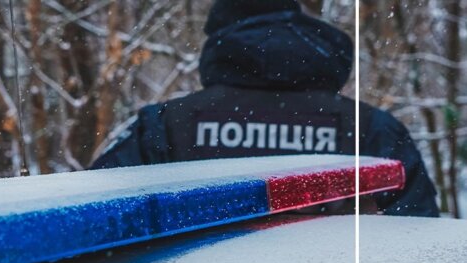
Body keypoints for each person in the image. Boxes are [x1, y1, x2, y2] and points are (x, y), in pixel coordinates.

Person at [91, 0, 439, 217]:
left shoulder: (167, 125)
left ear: (221, 42)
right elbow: (415, 239)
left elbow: (95, 216)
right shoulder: (370, 127)